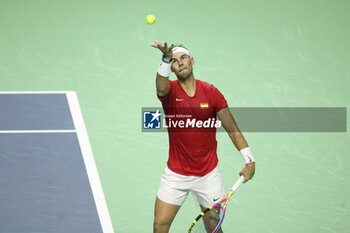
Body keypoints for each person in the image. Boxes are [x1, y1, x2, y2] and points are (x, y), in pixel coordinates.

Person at [151, 41, 255, 233]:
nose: (180, 63)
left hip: (208, 176)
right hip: (176, 174)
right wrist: (164, 59)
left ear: (192, 61)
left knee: (214, 227)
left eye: (183, 58)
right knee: (159, 225)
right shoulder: (170, 92)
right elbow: (160, 86)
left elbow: (233, 129)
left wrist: (250, 161)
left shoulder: (211, 93)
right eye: (174, 61)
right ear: (171, 68)